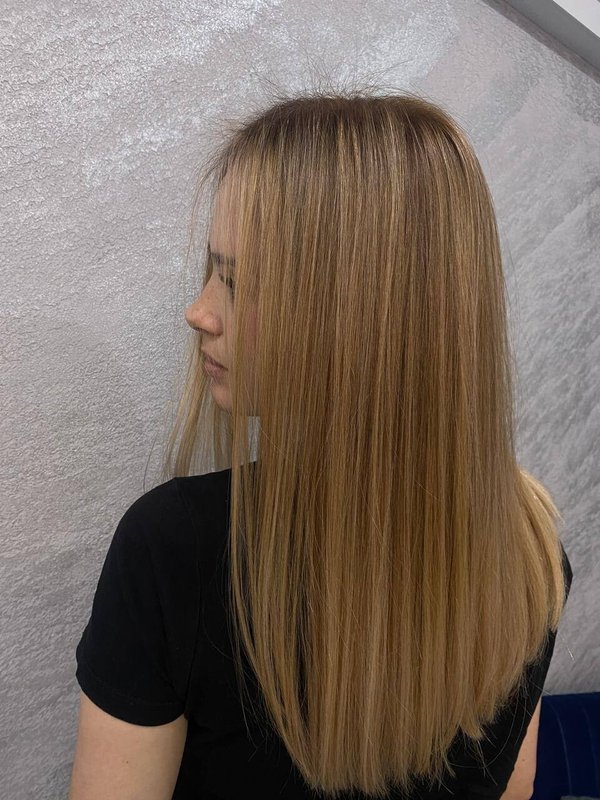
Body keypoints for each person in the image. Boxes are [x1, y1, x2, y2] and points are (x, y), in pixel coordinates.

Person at [68, 89, 573, 800]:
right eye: (211, 270)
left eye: (237, 282)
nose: (199, 311)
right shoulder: (529, 551)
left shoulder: (175, 551)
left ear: (359, 318)